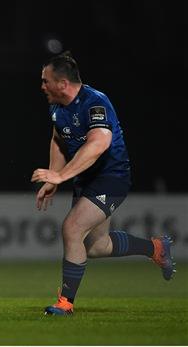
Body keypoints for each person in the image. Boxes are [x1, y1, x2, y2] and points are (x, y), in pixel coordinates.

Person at [31, 52, 176, 316]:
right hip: (86, 178)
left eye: (45, 81)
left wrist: (62, 176)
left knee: (72, 228)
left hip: (111, 177)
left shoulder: (95, 102)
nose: (41, 86)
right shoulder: (57, 107)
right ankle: (155, 248)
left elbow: (99, 143)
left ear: (62, 83)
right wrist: (55, 176)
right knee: (98, 246)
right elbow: (58, 139)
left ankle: (65, 303)